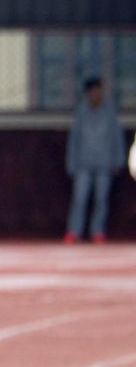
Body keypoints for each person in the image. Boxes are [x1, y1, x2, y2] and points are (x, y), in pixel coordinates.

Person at [66, 77, 121, 244]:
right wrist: (71, 163)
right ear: (88, 94)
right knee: (80, 199)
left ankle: (98, 231)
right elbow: (74, 140)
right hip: (83, 164)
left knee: (101, 199)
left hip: (104, 164)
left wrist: (118, 160)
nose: (96, 95)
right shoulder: (81, 114)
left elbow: (116, 138)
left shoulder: (109, 113)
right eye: (93, 92)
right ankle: (74, 231)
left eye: (99, 91)